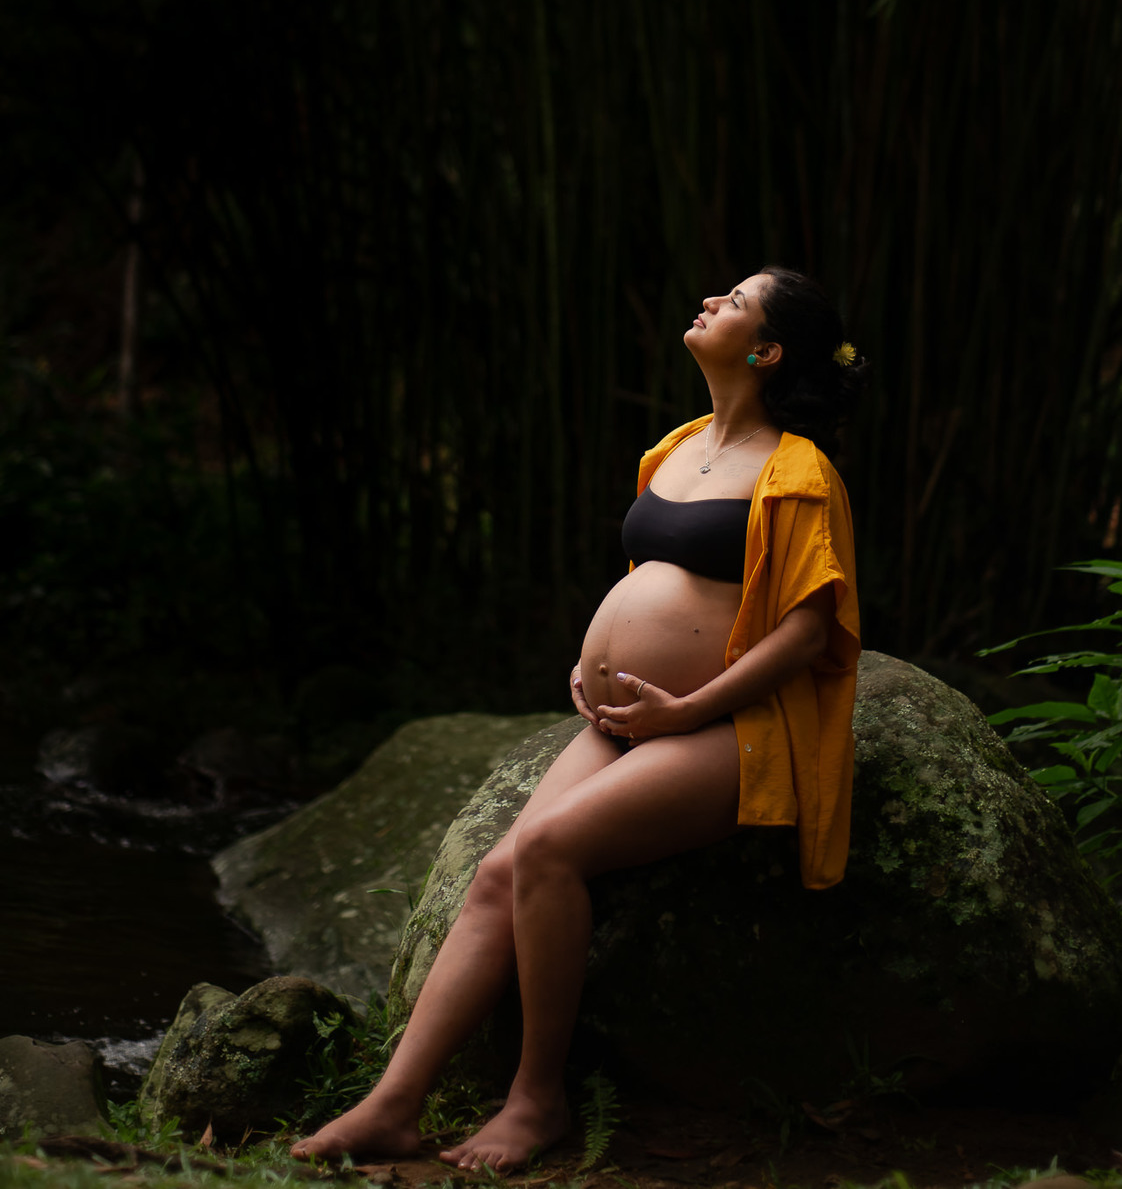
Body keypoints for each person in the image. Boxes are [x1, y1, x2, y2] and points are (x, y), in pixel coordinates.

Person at [291, 265, 866, 1174]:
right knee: (497, 871)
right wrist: (597, 657)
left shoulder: (801, 469)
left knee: (551, 849)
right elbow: (656, 579)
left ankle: (537, 1100)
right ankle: (392, 1108)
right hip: (628, 718)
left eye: (738, 300)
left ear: (765, 350)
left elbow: (805, 632)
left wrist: (685, 705)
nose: (712, 298)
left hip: (733, 728)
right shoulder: (677, 447)